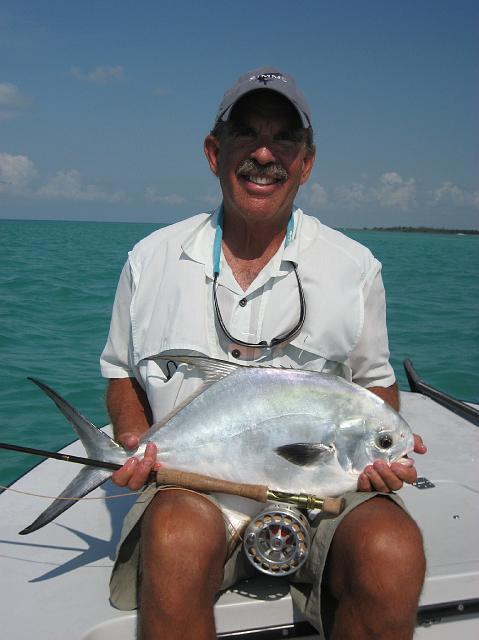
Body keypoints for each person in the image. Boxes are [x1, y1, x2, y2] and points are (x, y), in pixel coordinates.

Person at [100, 67, 427, 640]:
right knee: (174, 539)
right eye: (246, 134)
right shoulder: (150, 261)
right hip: (191, 485)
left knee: (393, 550)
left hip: (327, 491)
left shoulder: (353, 269)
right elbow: (123, 374)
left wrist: (382, 449)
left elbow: (375, 382)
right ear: (213, 151)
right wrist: (134, 441)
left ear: (306, 162)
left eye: (284, 139)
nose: (264, 154)